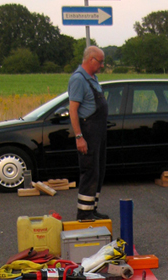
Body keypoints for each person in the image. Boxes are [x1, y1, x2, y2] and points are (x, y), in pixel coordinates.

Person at [68, 46, 109, 220]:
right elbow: (73, 110)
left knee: (98, 172)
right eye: (100, 62)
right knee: (89, 171)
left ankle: (92, 208)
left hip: (98, 133)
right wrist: (79, 137)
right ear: (91, 59)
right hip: (88, 132)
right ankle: (84, 213)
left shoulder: (93, 78)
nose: (101, 66)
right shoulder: (78, 79)